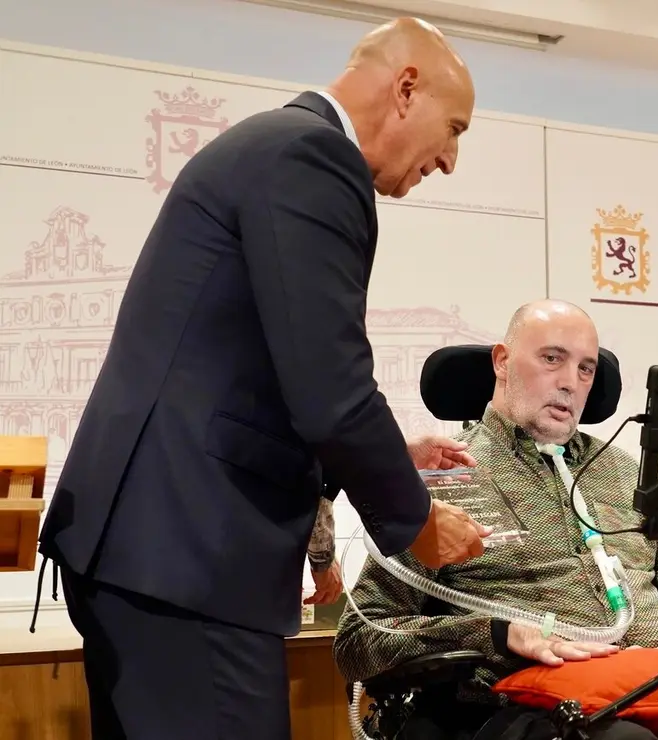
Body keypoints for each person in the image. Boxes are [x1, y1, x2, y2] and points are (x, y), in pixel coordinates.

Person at [34, 17, 491, 740]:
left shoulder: (272, 148)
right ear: (407, 89)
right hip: (190, 555)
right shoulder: (313, 156)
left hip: (155, 552)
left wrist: (386, 457)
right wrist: (419, 524)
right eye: (455, 127)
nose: (452, 159)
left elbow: (254, 382)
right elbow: (330, 387)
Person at [335, 299, 658, 740]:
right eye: (551, 359)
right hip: (524, 702)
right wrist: (494, 633)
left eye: (585, 369)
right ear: (501, 360)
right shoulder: (443, 480)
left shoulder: (626, 474)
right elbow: (360, 640)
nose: (570, 382)